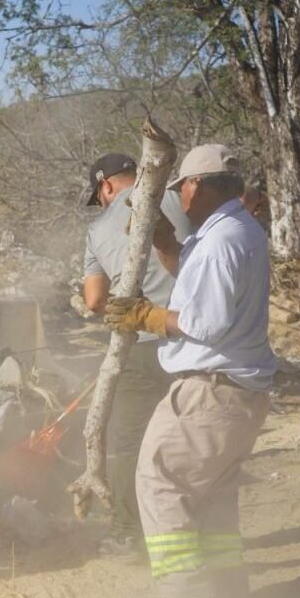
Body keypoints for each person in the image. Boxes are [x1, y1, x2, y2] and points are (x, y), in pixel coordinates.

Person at [104, 144, 276, 598]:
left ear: (197, 184)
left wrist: (147, 316)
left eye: (181, 188)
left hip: (211, 389)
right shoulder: (233, 231)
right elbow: (202, 286)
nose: (180, 197)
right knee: (213, 495)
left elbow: (209, 319)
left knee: (159, 478)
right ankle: (228, 593)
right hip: (236, 391)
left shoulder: (224, 239)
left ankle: (184, 590)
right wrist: (164, 243)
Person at [80, 152, 192, 559]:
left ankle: (129, 532)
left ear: (106, 186)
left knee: (129, 440)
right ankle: (196, 526)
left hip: (142, 346)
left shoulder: (96, 230)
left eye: (101, 195)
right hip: (193, 340)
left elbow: (94, 301)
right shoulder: (181, 198)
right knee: (190, 436)